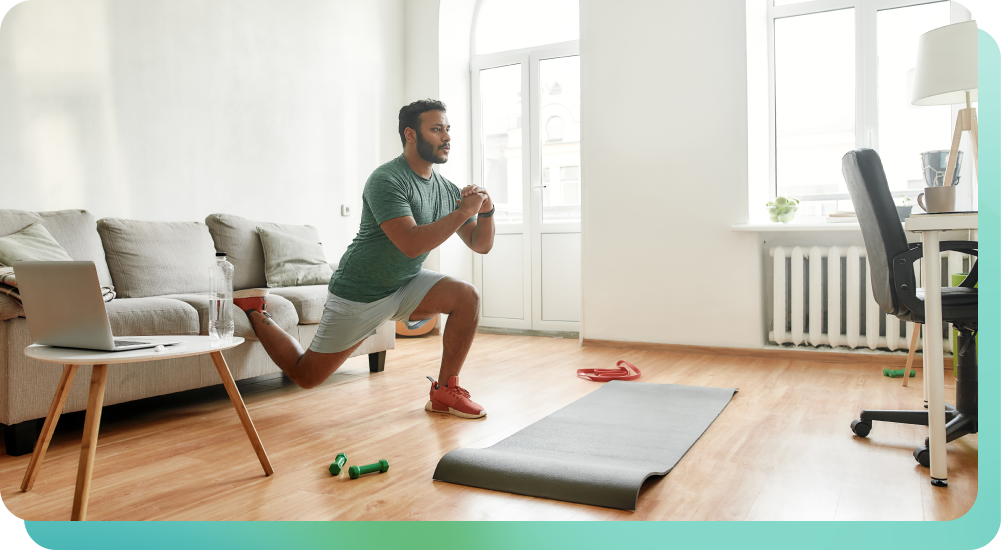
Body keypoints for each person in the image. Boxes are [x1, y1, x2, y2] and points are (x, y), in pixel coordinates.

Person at [234, 99, 495, 419]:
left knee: (467, 297)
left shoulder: (446, 189)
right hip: (359, 291)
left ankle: (444, 392)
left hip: (405, 283)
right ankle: (257, 312)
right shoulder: (386, 179)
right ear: (411, 135)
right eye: (437, 129)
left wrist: (486, 213)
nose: (447, 137)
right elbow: (410, 244)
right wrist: (462, 212)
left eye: (448, 129)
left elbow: (480, 245)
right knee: (305, 376)